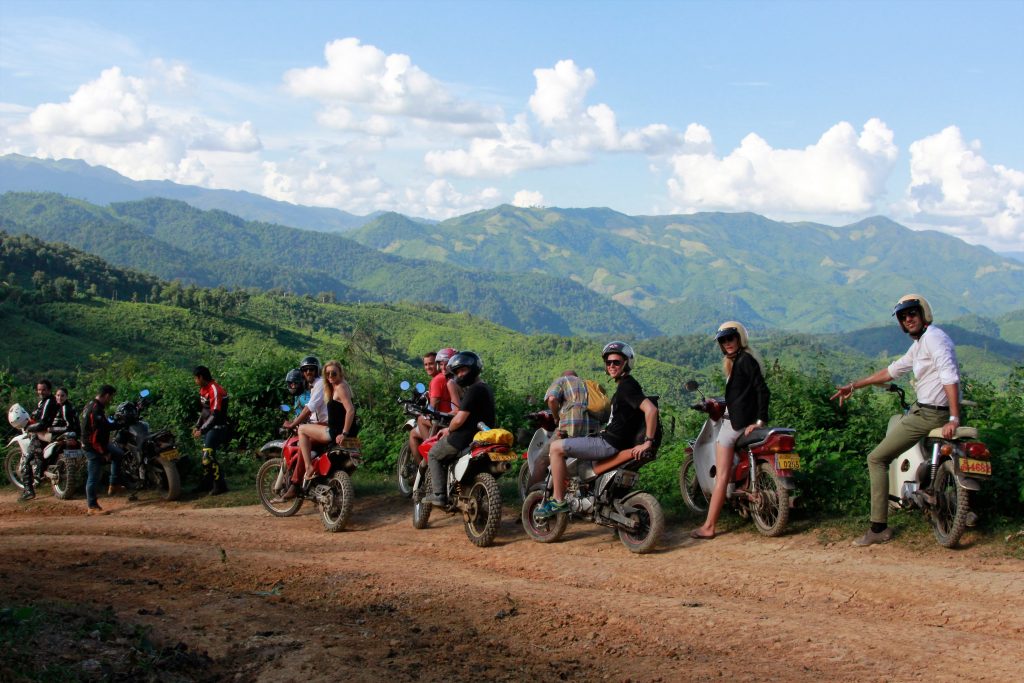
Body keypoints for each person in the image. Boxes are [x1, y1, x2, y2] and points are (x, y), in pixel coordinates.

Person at [831, 294, 961, 547]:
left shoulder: (933, 339)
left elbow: (949, 376)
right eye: (903, 316)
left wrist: (954, 417)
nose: (908, 319)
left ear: (924, 313)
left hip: (931, 414)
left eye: (912, 313)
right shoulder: (923, 342)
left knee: (876, 458)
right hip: (924, 409)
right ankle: (939, 499)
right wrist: (854, 386)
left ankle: (878, 527)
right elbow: (892, 371)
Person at [536, 342, 659, 519]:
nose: (611, 366)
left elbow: (651, 410)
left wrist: (648, 441)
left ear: (627, 363)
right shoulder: (627, 385)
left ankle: (558, 500)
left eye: (616, 362)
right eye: (608, 362)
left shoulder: (626, 386)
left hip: (608, 443)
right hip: (613, 440)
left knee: (556, 449)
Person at [691, 322, 770, 540]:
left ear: (740, 338)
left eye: (731, 339)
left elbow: (762, 390)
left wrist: (761, 420)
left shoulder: (744, 361)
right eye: (723, 341)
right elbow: (743, 395)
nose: (727, 344)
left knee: (722, 475)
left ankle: (708, 526)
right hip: (744, 421)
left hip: (734, 425)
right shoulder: (741, 361)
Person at [422, 351, 495, 507]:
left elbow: (460, 418)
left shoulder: (473, 390)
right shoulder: (485, 388)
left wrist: (449, 429)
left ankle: (439, 495)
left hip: (464, 437)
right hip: (481, 436)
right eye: (458, 372)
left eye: (463, 370)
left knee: (434, 454)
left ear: (473, 368)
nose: (460, 375)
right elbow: (470, 412)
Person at [529, 371, 602, 487]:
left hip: (569, 431)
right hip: (593, 433)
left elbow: (552, 399)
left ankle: (531, 498)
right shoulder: (589, 385)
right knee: (584, 464)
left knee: (541, 461)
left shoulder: (562, 380)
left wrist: (556, 417)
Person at [296, 360, 356, 487]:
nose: (330, 376)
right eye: (327, 374)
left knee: (301, 429)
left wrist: (344, 433)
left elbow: (350, 410)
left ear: (340, 373)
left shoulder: (340, 387)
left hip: (335, 432)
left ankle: (308, 467)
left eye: (334, 373)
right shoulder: (339, 386)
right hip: (342, 430)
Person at [409, 347, 457, 465]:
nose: (428, 367)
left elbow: (432, 407)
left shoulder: (437, 380)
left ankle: (428, 458)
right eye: (425, 364)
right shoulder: (451, 378)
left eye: (431, 364)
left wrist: (423, 412)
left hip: (441, 421)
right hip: (451, 419)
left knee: (414, 432)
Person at [80, 385, 122, 514]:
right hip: (92, 447)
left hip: (99, 444)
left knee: (119, 454)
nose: (111, 400)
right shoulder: (95, 410)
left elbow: (105, 426)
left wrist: (118, 424)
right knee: (94, 476)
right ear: (107, 395)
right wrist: (104, 453)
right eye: (111, 397)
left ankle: (113, 484)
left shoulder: (93, 405)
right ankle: (92, 506)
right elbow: (94, 437)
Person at [191, 366, 231, 496]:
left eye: (195, 378)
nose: (195, 381)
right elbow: (204, 411)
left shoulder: (214, 389)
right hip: (209, 427)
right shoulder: (203, 389)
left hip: (217, 428)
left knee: (207, 457)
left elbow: (215, 414)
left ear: (201, 377)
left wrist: (202, 430)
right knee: (205, 456)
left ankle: (220, 485)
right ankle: (206, 483)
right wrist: (198, 425)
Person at [19, 379, 57, 501]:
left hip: (42, 434)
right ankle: (40, 475)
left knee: (26, 461)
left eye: (43, 389)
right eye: (39, 389)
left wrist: (28, 427)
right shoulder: (45, 402)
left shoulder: (48, 402)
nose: (41, 392)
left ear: (49, 390)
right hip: (53, 433)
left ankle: (29, 491)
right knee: (39, 459)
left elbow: (43, 423)